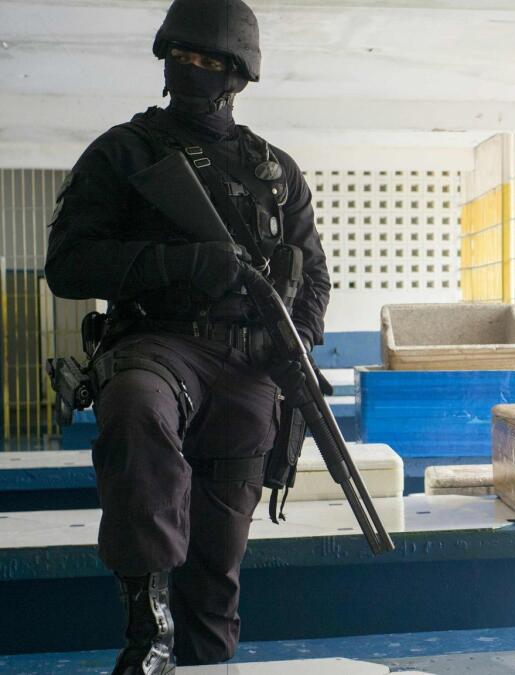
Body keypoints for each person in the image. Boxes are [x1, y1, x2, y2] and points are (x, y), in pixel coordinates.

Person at [43, 0, 329, 671]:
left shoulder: (278, 174)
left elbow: (313, 278)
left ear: (238, 73)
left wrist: (295, 345)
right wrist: (177, 263)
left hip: (247, 365)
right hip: (157, 342)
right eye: (182, 56)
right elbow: (68, 263)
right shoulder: (124, 151)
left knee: (216, 579)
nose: (191, 69)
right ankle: (147, 628)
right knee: (135, 402)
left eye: (208, 60)